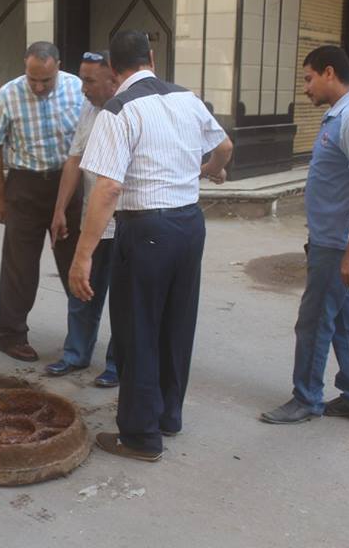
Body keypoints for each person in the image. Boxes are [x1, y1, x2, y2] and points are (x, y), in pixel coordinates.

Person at [70, 30, 233, 462]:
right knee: (176, 324)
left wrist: (83, 255)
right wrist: (208, 170)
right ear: (152, 58)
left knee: (137, 330)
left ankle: (141, 437)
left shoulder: (118, 110)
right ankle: (167, 416)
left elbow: (106, 188)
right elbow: (225, 147)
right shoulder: (186, 98)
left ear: (112, 68)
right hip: (189, 224)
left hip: (145, 230)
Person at [260, 45, 349, 426]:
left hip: (338, 246)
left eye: (309, 79)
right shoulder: (339, 116)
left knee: (314, 322)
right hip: (332, 241)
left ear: (329, 73)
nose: (306, 88)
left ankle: (306, 398)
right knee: (344, 320)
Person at [0, 41, 84, 362]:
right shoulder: (7, 95)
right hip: (24, 186)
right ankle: (11, 335)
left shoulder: (77, 89)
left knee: (76, 264)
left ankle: (81, 335)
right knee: (19, 266)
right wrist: (0, 196)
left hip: (67, 186)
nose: (39, 87)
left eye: (46, 80)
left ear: (58, 66)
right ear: (25, 69)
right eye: (33, 79)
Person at [46, 51, 120, 387]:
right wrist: (60, 209)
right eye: (82, 78)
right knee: (82, 288)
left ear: (113, 78)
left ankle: (117, 365)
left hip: (126, 222)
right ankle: (75, 354)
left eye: (89, 80)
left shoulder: (129, 111)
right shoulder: (89, 110)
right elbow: (74, 160)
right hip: (92, 218)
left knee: (123, 297)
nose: (82, 88)